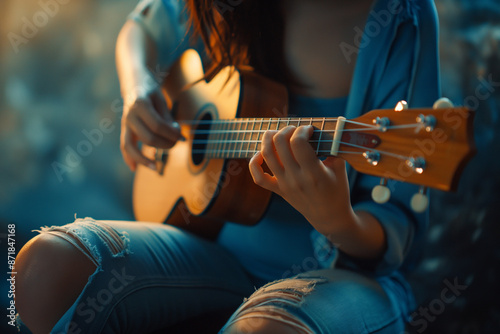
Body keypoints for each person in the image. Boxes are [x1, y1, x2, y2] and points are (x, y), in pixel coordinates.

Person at [14, 0, 441, 333]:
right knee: (43, 267)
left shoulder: (400, 16)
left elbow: (397, 231)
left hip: (342, 276)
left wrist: (338, 220)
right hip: (208, 248)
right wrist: (139, 88)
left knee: (266, 330)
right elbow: (141, 26)